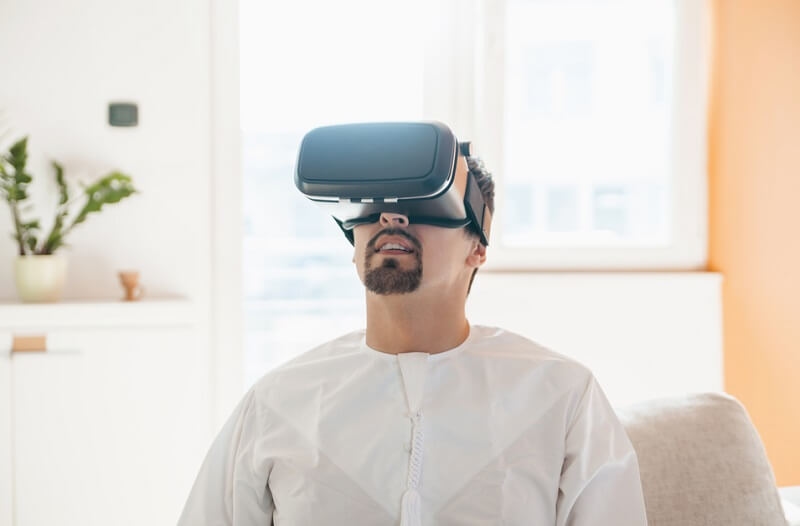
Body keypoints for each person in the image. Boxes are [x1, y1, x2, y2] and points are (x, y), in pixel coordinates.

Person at [178, 138, 648, 525]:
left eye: (424, 200)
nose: (392, 217)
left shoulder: (561, 396)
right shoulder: (278, 402)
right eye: (372, 205)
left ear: (478, 247)